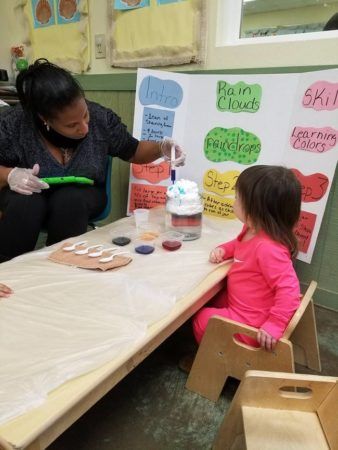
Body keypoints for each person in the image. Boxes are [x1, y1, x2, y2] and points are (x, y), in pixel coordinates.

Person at [0, 59, 185, 262]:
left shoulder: (101, 118)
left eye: (85, 115)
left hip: (83, 197)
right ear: (44, 119)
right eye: (72, 125)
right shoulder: (13, 125)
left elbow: (133, 150)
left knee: (69, 200)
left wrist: (161, 148)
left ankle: (63, 267)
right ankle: (8, 271)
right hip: (28, 195)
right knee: (27, 202)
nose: (85, 127)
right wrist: (10, 175)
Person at [192, 165, 302, 356]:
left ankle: (215, 360)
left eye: (237, 198)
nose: (233, 202)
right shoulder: (252, 230)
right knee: (211, 296)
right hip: (244, 304)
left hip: (254, 325)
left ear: (254, 212)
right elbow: (239, 244)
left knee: (201, 320)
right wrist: (224, 250)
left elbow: (290, 291)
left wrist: (274, 325)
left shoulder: (269, 248)